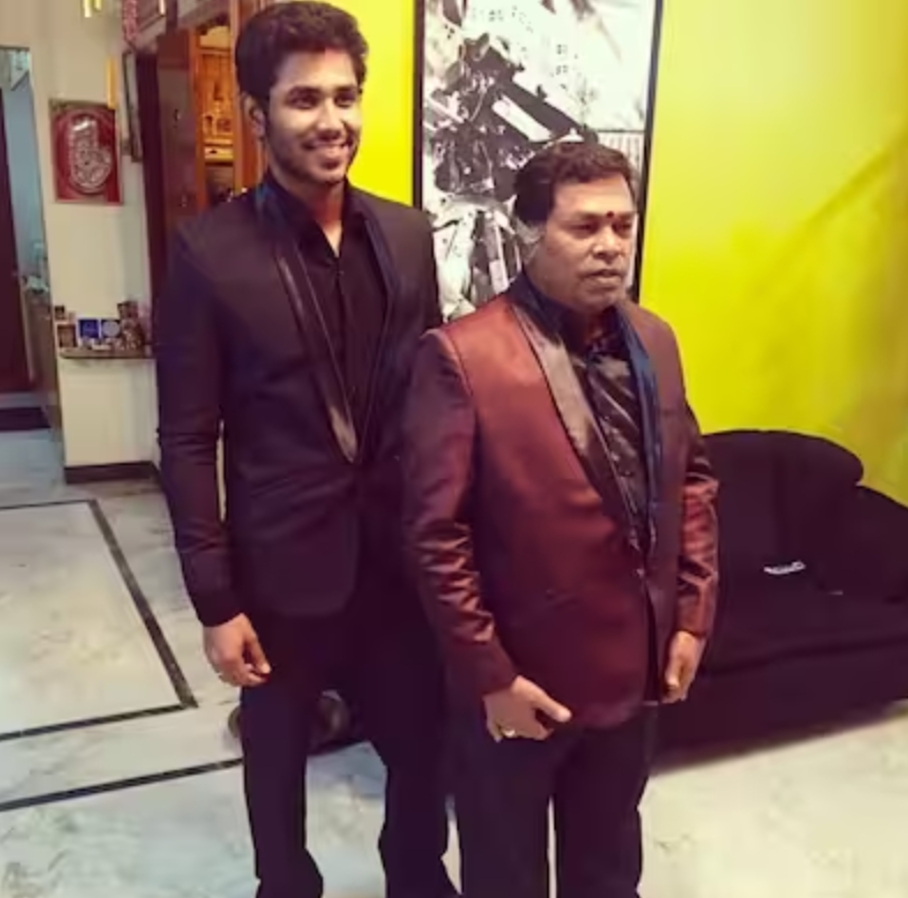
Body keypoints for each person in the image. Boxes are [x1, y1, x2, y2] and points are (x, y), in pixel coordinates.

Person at [154, 5, 455, 898]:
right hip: (280, 569)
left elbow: (434, 394)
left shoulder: (408, 236)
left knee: (424, 743)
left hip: (397, 560)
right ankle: (285, 885)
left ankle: (416, 875)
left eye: (346, 96)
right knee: (278, 758)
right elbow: (186, 436)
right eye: (304, 100)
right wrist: (215, 599)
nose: (333, 120)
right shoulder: (207, 254)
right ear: (258, 115)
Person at [403, 142, 719, 898]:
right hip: (521, 683)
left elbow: (694, 480)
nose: (610, 245)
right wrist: (491, 676)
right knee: (505, 876)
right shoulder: (463, 356)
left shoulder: (656, 339)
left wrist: (691, 616)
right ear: (529, 231)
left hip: (634, 672)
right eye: (585, 227)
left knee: (609, 871)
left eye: (622, 224)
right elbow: (435, 536)